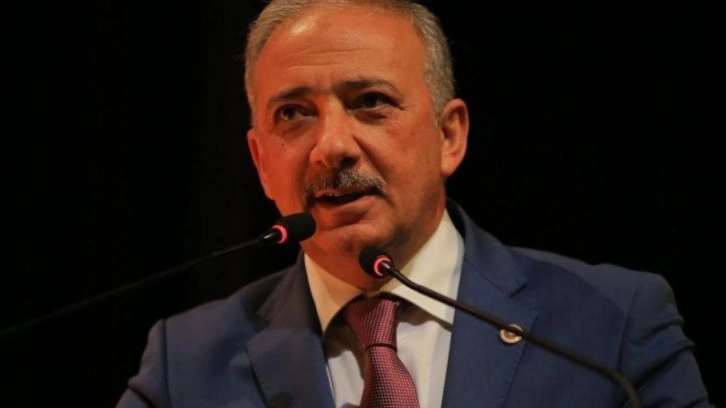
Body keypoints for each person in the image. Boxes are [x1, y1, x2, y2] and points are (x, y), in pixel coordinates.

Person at [116, 1, 712, 407]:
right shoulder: (184, 365)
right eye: (293, 114)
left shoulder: (611, 327)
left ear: (448, 136)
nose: (331, 146)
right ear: (260, 161)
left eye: (370, 101)